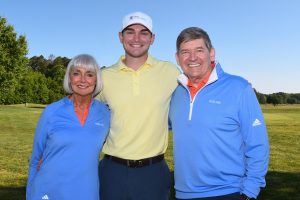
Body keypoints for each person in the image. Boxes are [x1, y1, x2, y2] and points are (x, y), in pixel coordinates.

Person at [169, 27, 270, 200]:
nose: (192, 58)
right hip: (183, 194)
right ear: (177, 58)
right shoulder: (177, 93)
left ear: (212, 53)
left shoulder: (239, 88)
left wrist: (250, 190)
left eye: (199, 50)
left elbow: (257, 143)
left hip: (228, 192)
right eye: (185, 52)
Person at [97, 11, 180, 200]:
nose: (136, 38)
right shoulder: (104, 77)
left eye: (143, 32)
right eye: (130, 32)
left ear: (152, 39)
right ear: (120, 37)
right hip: (112, 172)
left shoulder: (170, 72)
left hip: (153, 173)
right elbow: (84, 116)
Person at [26, 54, 110, 200]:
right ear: (69, 78)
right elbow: (35, 159)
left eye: (89, 74)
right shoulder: (51, 111)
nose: (83, 80)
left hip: (87, 191)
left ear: (96, 80)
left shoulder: (104, 113)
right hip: (49, 190)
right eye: (76, 73)